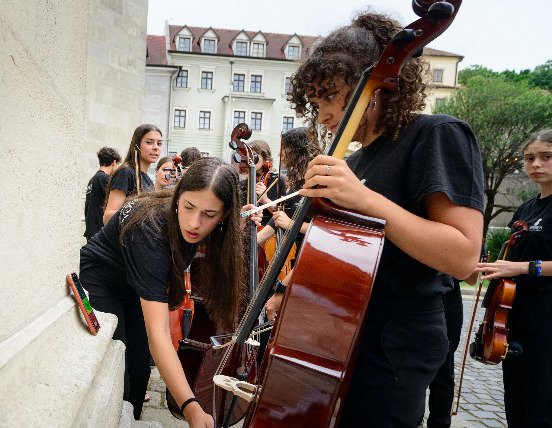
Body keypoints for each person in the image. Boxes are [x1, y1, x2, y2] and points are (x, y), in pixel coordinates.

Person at [288, 11, 484, 427]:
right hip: (341, 331)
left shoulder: (436, 135)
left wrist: (362, 198)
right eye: (315, 102)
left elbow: (464, 257)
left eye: (328, 96)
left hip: (396, 339)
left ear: (373, 85)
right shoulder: (353, 160)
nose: (321, 115)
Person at [80, 158, 261, 424]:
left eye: (209, 215)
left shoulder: (208, 223)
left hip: (134, 285)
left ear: (224, 216)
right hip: (101, 280)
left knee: (140, 371)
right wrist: (191, 407)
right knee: (121, 370)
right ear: (178, 197)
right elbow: (159, 336)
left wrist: (239, 225)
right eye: (188, 207)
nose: (195, 223)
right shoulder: (150, 229)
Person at [475, 129, 552, 427]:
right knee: (516, 395)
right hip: (516, 313)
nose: (535, 164)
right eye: (529, 158)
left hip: (546, 314)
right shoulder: (526, 208)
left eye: (546, 157)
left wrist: (520, 269)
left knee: (542, 399)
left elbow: (520, 265)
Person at [103, 124, 162, 224]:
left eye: (159, 143)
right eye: (149, 142)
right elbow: (108, 217)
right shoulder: (126, 172)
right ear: (137, 145)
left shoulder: (146, 177)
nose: (156, 147)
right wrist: (137, 213)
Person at [84, 147, 121, 241]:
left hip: (91, 232)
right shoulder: (105, 179)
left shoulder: (92, 180)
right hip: (99, 233)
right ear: (113, 163)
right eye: (117, 164)